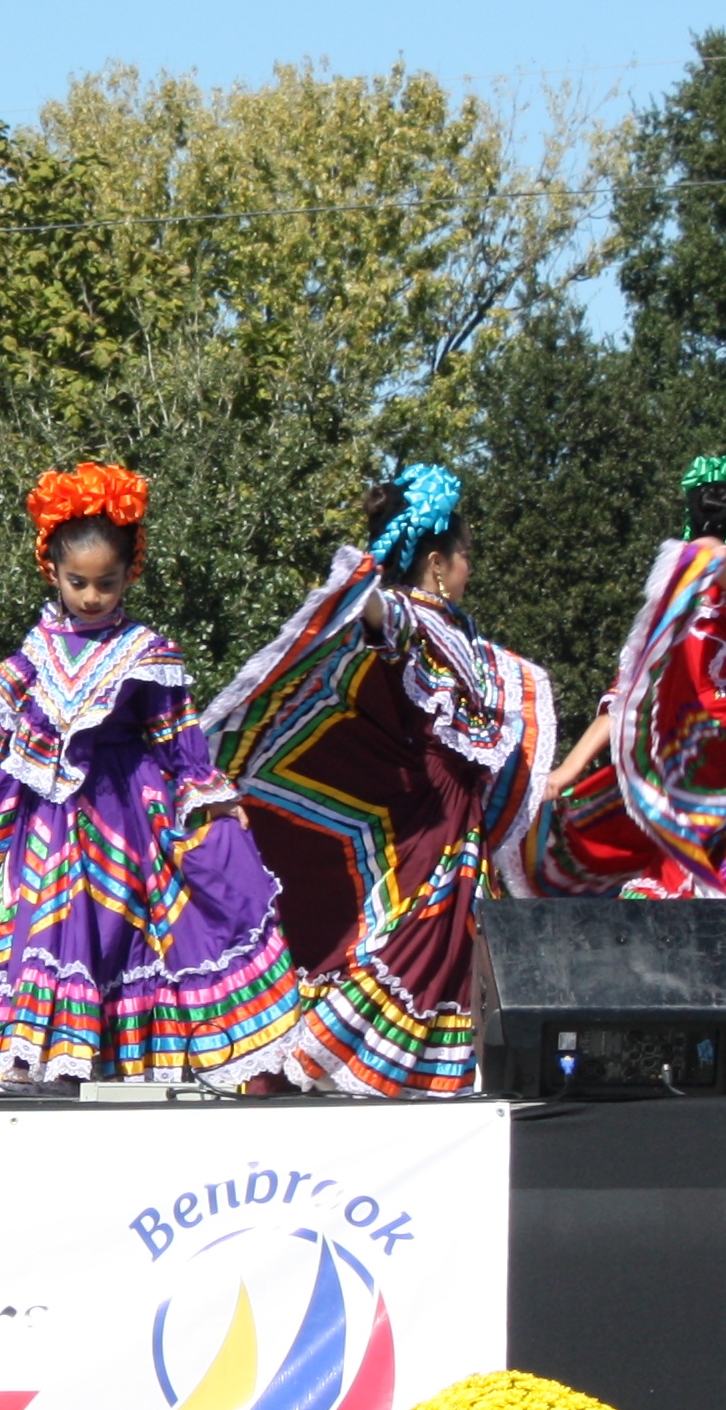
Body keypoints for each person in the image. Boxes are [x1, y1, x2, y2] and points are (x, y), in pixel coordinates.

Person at [0, 463, 305, 1089]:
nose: (92, 597)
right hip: (44, 833)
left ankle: (114, 1073)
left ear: (131, 572)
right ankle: (46, 1077)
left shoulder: (147, 652)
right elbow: (11, 741)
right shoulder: (36, 651)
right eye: (78, 582)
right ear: (51, 571)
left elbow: (177, 742)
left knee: (117, 940)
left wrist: (213, 804)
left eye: (105, 582)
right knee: (37, 939)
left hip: (126, 824)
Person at [206, 465, 555, 1096]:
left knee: (448, 950)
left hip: (455, 823)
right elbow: (373, 618)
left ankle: (424, 1086)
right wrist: (368, 573)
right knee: (392, 938)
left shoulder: (470, 639)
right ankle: (332, 1074)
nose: (470, 568)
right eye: (466, 556)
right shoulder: (404, 618)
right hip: (416, 821)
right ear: (437, 562)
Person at [520, 457, 726, 898]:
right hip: (691, 791)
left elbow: (627, 698)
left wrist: (567, 771)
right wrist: (564, 774)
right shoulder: (680, 597)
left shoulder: (677, 594)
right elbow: (627, 698)